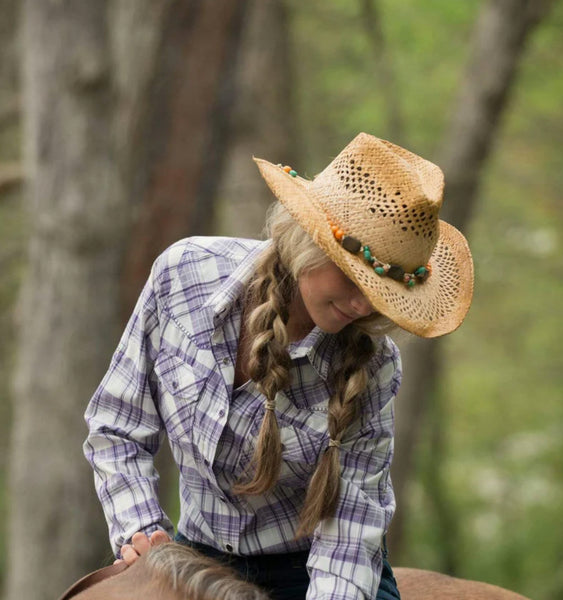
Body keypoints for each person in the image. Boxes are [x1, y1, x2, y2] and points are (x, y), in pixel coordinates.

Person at [84, 132, 474, 600]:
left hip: (314, 573)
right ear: (309, 240)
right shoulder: (182, 277)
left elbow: (350, 531)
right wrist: (141, 532)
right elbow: (118, 424)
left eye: (380, 292)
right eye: (353, 277)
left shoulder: (375, 367)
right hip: (192, 557)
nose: (361, 304)